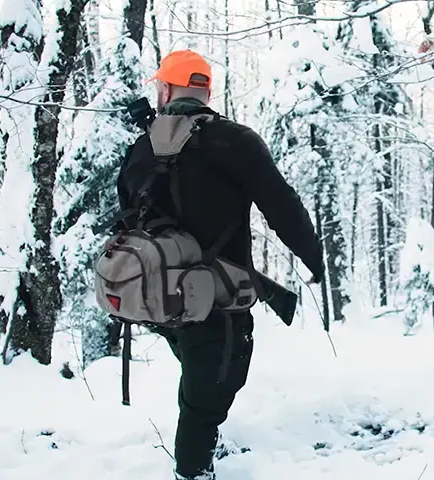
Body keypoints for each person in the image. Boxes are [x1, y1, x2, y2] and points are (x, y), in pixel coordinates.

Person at [115, 50, 325, 479]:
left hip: (159, 295)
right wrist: (312, 254)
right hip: (219, 300)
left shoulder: (141, 147)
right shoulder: (235, 141)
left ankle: (201, 448)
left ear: (168, 89)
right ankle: (193, 470)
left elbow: (127, 215)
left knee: (200, 375)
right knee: (209, 395)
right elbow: (281, 204)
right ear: (205, 92)